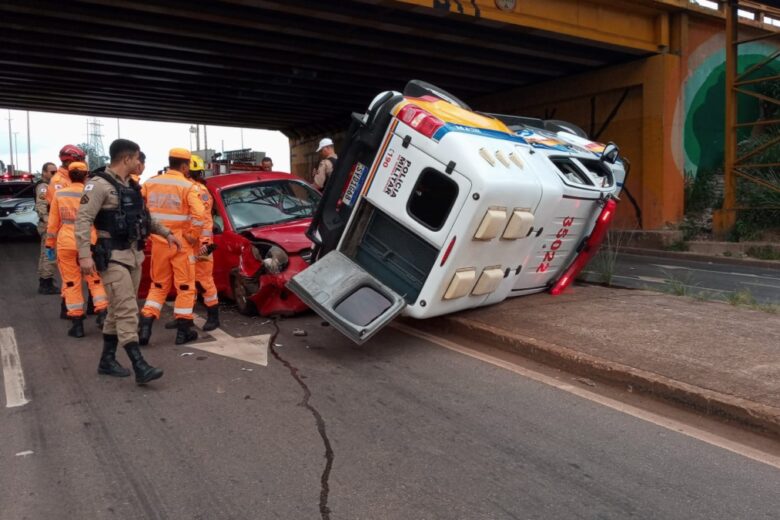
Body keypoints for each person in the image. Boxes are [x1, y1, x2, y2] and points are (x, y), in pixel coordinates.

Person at [76, 139, 179, 384]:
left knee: (116, 310)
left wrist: (168, 234)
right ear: (126, 159)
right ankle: (139, 365)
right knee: (128, 311)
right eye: (136, 158)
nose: (138, 162)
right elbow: (82, 221)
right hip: (112, 258)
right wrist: (83, 255)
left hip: (133, 256)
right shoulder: (99, 186)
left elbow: (147, 219)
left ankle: (107, 360)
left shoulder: (132, 187)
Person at [138, 148, 205, 346]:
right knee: (185, 287)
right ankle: (183, 333)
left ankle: (145, 327)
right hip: (181, 244)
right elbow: (200, 215)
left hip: (159, 243)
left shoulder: (150, 183)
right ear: (185, 166)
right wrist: (193, 236)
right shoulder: (188, 186)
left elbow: (138, 206)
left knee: (158, 285)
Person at [46, 162, 109, 338]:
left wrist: (49, 244)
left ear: (69, 174)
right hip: (89, 240)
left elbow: (52, 224)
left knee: (71, 283)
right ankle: (103, 313)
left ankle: (77, 324)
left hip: (66, 241)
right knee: (95, 279)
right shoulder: (91, 193)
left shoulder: (59, 194)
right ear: (85, 175)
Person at [35, 162, 60, 295]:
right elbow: (41, 206)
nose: (54, 174)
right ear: (44, 172)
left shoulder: (50, 186)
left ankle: (45, 280)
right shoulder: (44, 187)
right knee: (49, 255)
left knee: (46, 254)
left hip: (50, 224)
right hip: (48, 226)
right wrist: (48, 221)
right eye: (52, 172)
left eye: (56, 172)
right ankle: (46, 283)